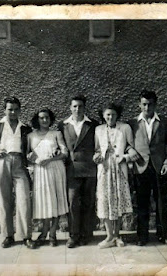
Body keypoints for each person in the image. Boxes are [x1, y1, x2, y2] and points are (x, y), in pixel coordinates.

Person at [0, 96, 36, 249]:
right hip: (1, 163)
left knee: (24, 200)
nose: (13, 112)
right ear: (4, 110)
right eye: (10, 109)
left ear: (20, 110)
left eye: (16, 109)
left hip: (20, 164)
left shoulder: (25, 128)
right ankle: (8, 236)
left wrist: (32, 156)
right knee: (4, 200)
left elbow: (30, 147)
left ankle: (26, 236)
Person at [128, 90, 167, 247]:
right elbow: (127, 143)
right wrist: (130, 150)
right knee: (142, 203)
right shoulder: (133, 123)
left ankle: (164, 235)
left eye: (150, 104)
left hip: (159, 167)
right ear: (139, 104)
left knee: (161, 203)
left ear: (155, 104)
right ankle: (142, 236)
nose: (147, 107)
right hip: (141, 167)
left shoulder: (164, 122)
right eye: (144, 104)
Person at [58, 95, 99, 248]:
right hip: (72, 168)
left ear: (84, 107)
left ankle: (87, 234)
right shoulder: (62, 125)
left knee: (89, 202)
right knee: (73, 202)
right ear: (70, 107)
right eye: (74, 106)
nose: (77, 109)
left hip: (89, 168)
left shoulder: (93, 124)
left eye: (80, 106)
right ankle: (73, 235)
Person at [93, 103, 134, 249]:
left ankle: (117, 235)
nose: (110, 117)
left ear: (118, 115)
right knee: (105, 199)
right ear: (103, 116)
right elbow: (97, 149)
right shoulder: (98, 130)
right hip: (104, 168)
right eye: (108, 115)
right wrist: (96, 156)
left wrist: (126, 158)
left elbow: (132, 148)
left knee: (118, 200)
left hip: (119, 168)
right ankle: (109, 236)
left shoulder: (125, 128)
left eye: (113, 114)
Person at [27, 108, 69, 247]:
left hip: (55, 169)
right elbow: (28, 155)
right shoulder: (31, 136)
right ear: (37, 120)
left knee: (56, 200)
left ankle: (52, 234)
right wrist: (33, 159)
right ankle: (44, 232)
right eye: (42, 118)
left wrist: (51, 159)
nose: (44, 120)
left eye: (47, 118)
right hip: (40, 171)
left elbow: (65, 153)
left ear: (51, 119)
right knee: (45, 201)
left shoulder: (56, 133)